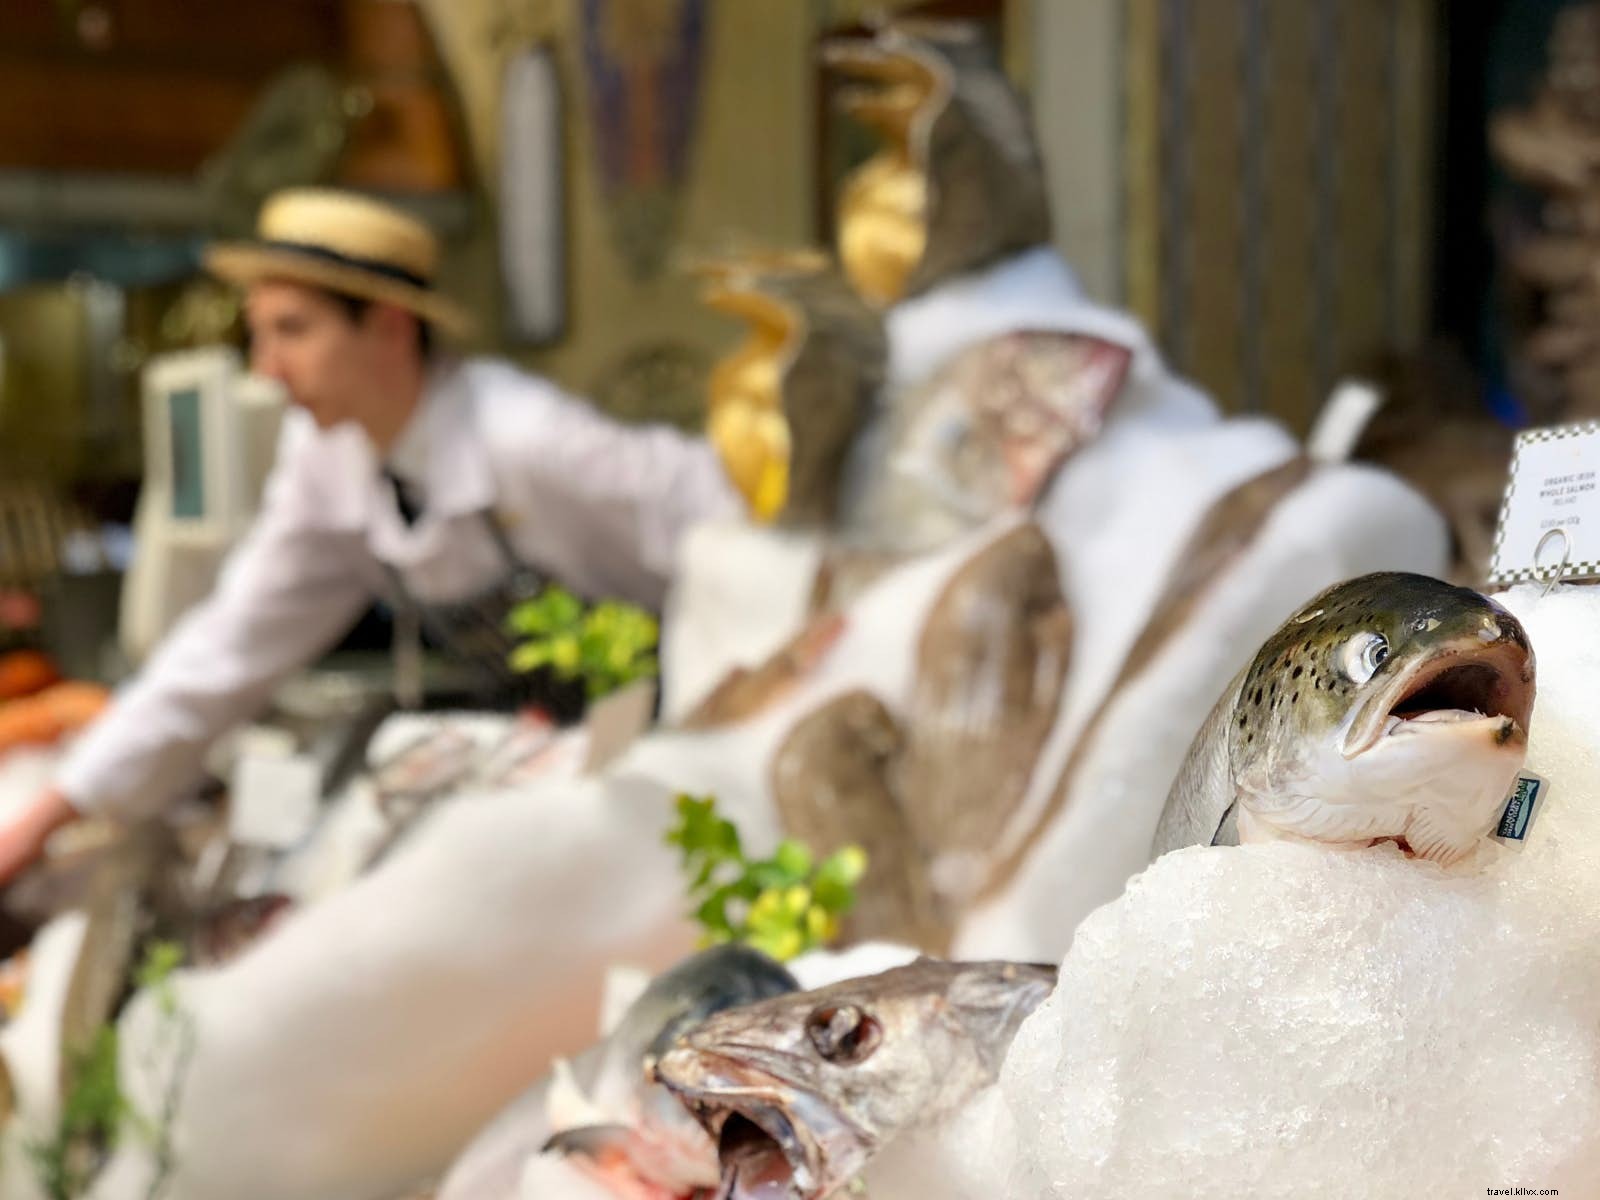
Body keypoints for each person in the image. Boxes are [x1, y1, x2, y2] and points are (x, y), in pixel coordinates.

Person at [0, 188, 737, 883]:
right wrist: (48, 817)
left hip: (688, 755)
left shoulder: (526, 438)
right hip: (557, 772)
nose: (268, 370)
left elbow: (734, 532)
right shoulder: (326, 456)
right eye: (258, 336)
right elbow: (229, 648)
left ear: (389, 324)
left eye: (292, 330)